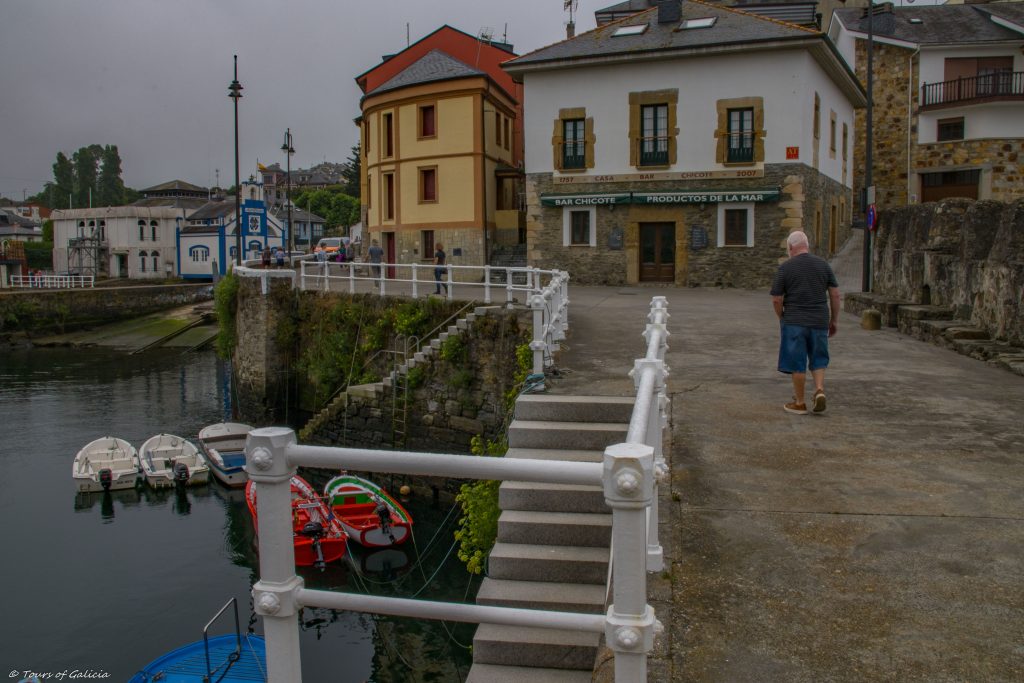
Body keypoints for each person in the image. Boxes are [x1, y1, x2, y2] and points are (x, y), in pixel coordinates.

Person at [770, 230, 840, 415]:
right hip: (819, 320)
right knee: (819, 358)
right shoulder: (823, 265)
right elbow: (835, 294)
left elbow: (776, 299)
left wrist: (782, 317)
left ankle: (800, 403)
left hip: (795, 321)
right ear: (806, 245)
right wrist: (833, 320)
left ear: (790, 247)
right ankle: (819, 390)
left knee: (797, 362)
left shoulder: (785, 268)